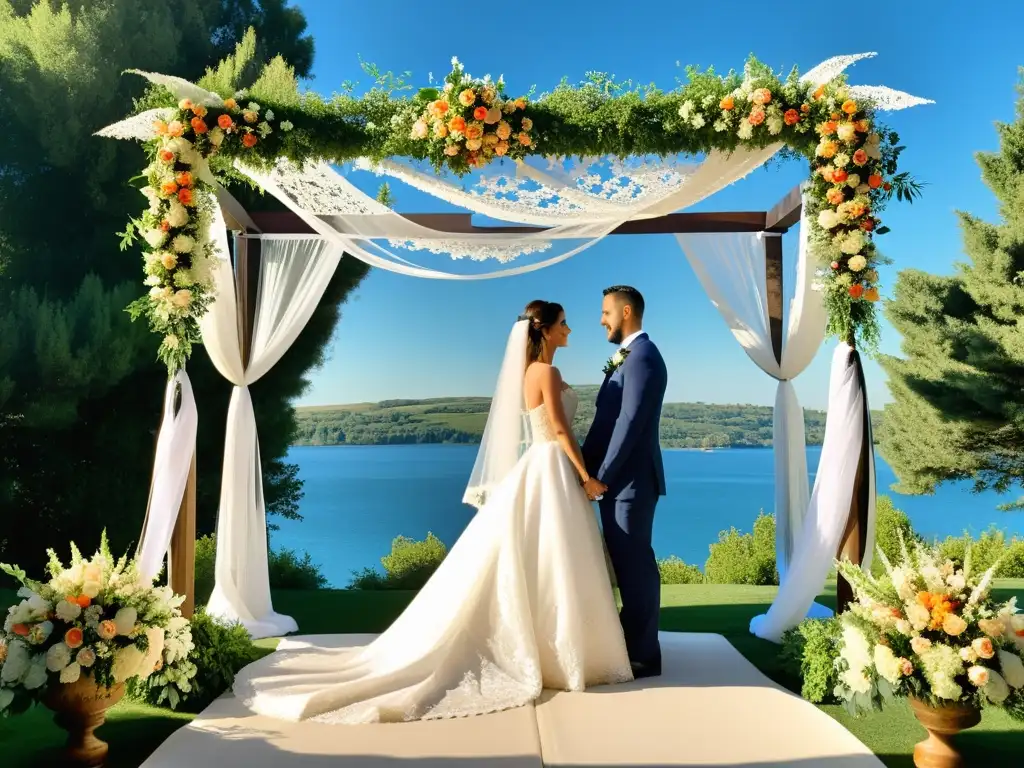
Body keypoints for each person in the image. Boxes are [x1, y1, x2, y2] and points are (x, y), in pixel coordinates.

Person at [231, 300, 632, 724]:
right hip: (550, 466)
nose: (570, 329)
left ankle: (552, 648)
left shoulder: (533, 373)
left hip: (538, 468)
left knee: (544, 558)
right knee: (554, 558)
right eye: (564, 324)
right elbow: (560, 428)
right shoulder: (546, 373)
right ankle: (563, 653)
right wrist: (586, 476)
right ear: (546, 330)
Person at [583, 286, 668, 679]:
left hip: (629, 484)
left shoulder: (644, 357)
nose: (602, 319)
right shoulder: (627, 357)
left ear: (627, 312)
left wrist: (601, 476)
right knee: (627, 565)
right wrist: (581, 468)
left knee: (636, 568)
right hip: (618, 484)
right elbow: (606, 422)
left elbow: (629, 424)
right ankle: (631, 644)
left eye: (606, 312)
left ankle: (645, 655)